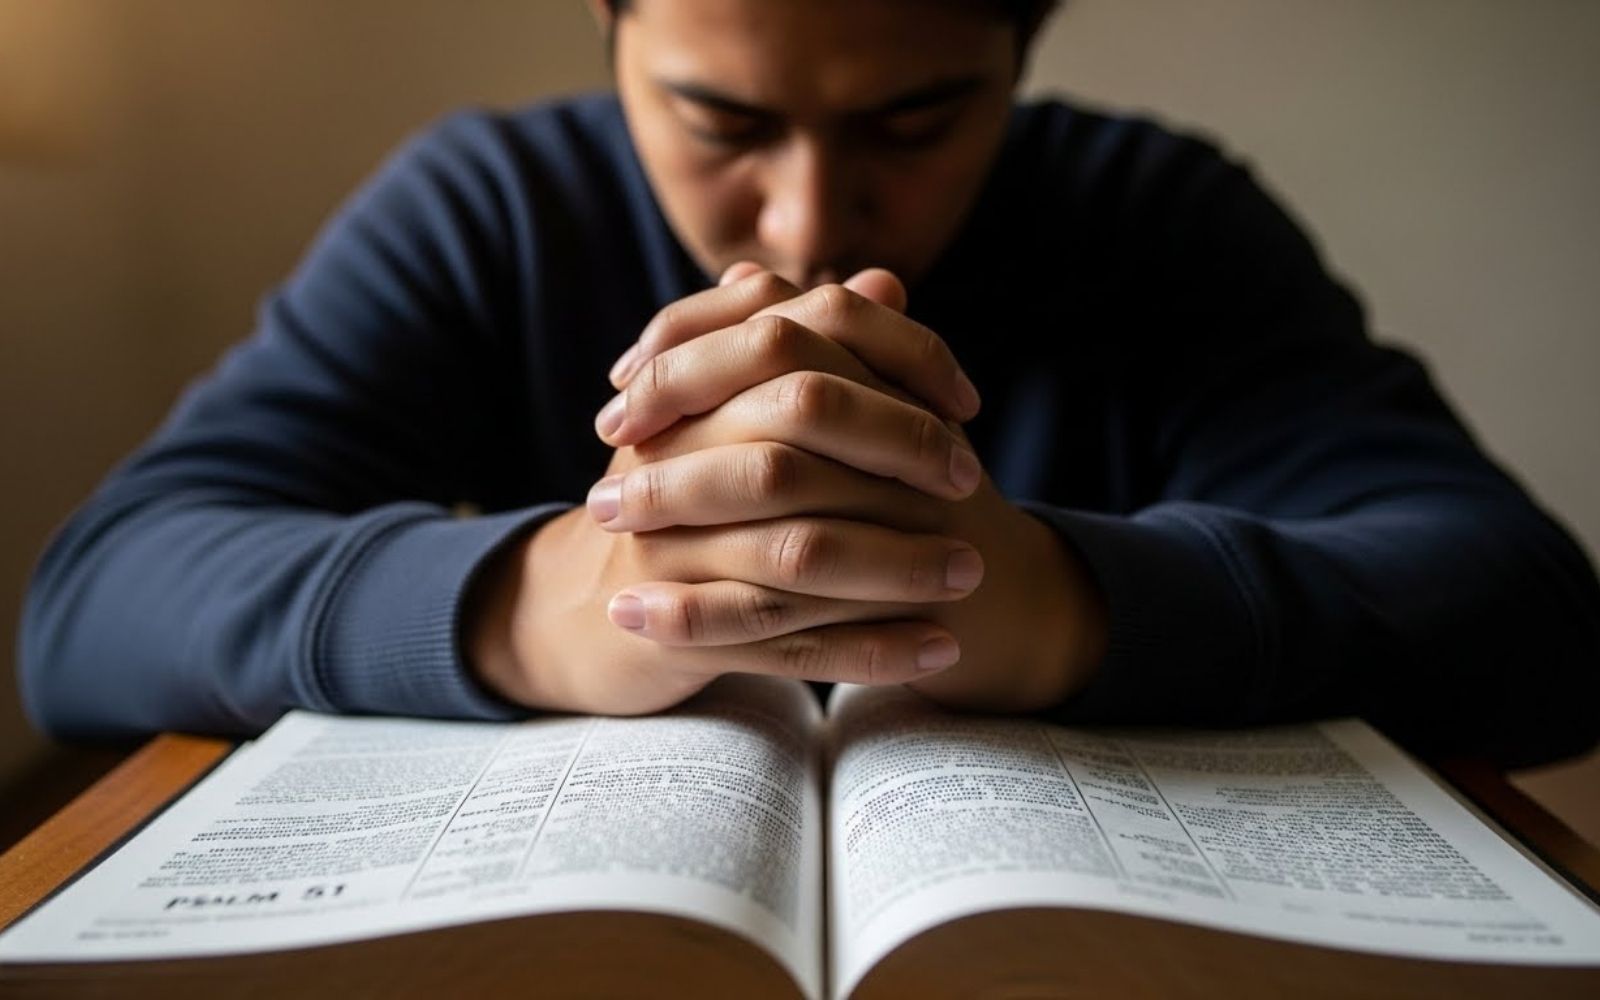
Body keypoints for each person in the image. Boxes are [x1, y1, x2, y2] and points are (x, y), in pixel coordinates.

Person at [18, 0, 1600, 766]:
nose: (807, 224)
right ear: (608, 30)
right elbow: (89, 608)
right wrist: (551, 603)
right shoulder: (489, 207)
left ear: (1020, 58)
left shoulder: (1154, 220)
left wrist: (1059, 604)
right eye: (719, 119)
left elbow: (1529, 614)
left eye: (914, 125)